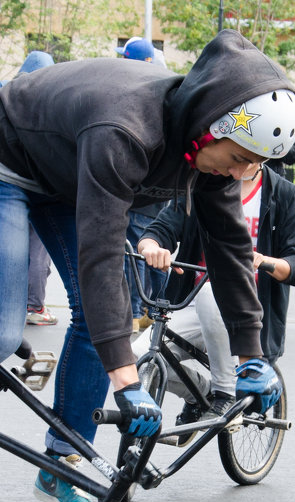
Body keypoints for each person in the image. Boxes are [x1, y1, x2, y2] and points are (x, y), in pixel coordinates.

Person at [0, 30, 295, 502]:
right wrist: (125, 382)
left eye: (254, 166)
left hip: (66, 171)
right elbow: (100, 255)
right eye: (239, 158)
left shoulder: (211, 155)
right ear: (209, 129)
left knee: (104, 318)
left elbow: (231, 247)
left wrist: (250, 356)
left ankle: (63, 460)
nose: (242, 174)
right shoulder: (127, 131)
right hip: (3, 155)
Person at [136, 160, 295, 444]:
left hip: (251, 312)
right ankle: (204, 392)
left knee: (212, 292)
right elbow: (161, 229)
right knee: (137, 359)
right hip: (193, 303)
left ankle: (225, 393)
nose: (235, 160)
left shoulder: (285, 195)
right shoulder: (203, 183)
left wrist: (263, 260)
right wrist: (151, 248)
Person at [0, 51, 60, 327]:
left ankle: (4, 305)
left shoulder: (2, 95)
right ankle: (33, 306)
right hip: (37, 187)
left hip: (2, 185)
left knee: (9, 249)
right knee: (37, 252)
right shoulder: (47, 101)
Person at [116, 35, 168, 333]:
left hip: (142, 191)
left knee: (136, 253)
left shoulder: (138, 93)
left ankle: (136, 311)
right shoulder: (163, 87)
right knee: (156, 250)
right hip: (161, 192)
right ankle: (158, 308)